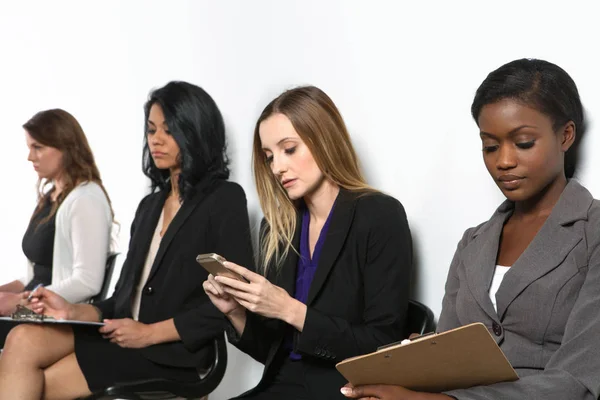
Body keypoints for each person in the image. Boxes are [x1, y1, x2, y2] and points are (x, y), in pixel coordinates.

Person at [342, 59, 600, 400]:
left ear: (565, 135)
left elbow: (579, 380)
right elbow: (449, 353)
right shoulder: (473, 243)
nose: (503, 160)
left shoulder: (592, 231)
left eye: (523, 143)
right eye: (490, 146)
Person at [0, 81, 254, 399]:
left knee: (37, 386)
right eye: (151, 130)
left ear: (194, 132)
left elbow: (233, 301)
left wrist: (148, 333)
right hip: (122, 335)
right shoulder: (151, 206)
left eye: (168, 130)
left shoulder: (224, 198)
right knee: (22, 338)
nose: (155, 140)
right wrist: (71, 311)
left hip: (169, 351)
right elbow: (122, 300)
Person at [203, 86, 413, 399]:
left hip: (344, 390)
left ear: (323, 138)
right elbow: (274, 354)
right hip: (281, 387)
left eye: (289, 149)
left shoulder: (379, 215)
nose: (277, 168)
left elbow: (382, 344)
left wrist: (289, 309)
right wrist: (234, 311)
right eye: (269, 157)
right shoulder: (277, 230)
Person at [0, 108, 113, 316]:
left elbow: (87, 281)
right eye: (29, 147)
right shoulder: (50, 198)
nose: (30, 156)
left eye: (38, 147)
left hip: (47, 313)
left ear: (65, 147)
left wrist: (19, 302)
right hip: (30, 306)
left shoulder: (86, 200)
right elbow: (36, 276)